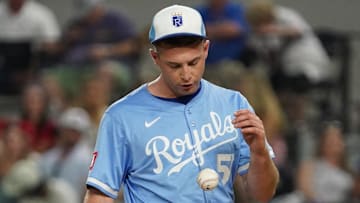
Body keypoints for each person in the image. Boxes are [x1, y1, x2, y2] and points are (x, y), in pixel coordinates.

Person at [83, 4, 279, 203]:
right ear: (155, 58)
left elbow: (262, 196)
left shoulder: (233, 103)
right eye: (174, 66)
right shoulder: (121, 116)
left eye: (193, 62)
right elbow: (99, 195)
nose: (186, 75)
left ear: (206, 49)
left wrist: (259, 151)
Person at [0, 0, 61, 95]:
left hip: (34, 65)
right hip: (4, 67)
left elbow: (53, 45)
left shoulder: (40, 14)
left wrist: (30, 71)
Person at [196, 0, 250, 65]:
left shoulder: (236, 9)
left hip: (235, 61)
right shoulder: (200, 12)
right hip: (207, 62)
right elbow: (197, 34)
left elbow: (235, 30)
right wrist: (222, 30)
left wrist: (210, 31)